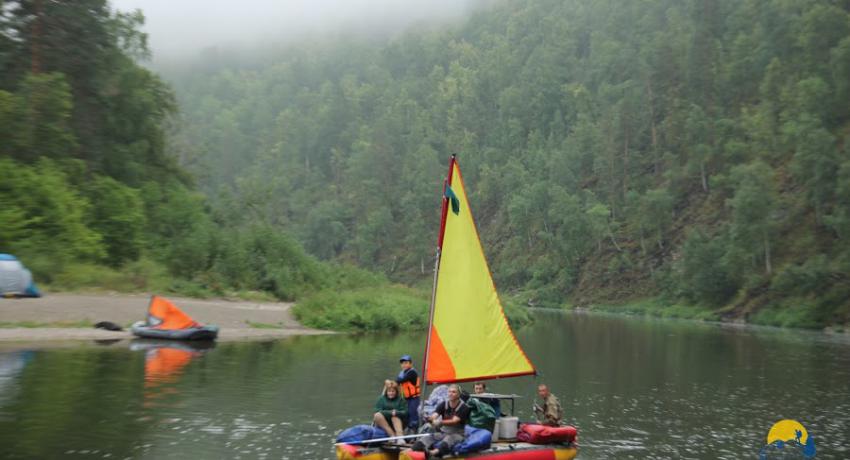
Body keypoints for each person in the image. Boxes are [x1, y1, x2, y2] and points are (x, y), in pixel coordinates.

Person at [411, 384, 470, 458]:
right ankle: (412, 450)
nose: (450, 394)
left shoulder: (464, 407)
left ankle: (431, 453)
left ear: (458, 395)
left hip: (458, 434)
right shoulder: (443, 404)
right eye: (449, 392)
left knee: (448, 440)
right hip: (443, 432)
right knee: (428, 438)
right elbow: (435, 415)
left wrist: (440, 422)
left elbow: (454, 421)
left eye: (453, 392)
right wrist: (430, 419)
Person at [396, 354, 421, 431]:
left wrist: (395, 381)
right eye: (402, 363)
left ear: (410, 364)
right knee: (407, 414)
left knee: (413, 414)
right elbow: (397, 381)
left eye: (406, 363)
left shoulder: (412, 372)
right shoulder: (402, 373)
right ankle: (408, 430)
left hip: (414, 398)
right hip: (407, 398)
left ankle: (415, 432)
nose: (404, 365)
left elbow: (400, 380)